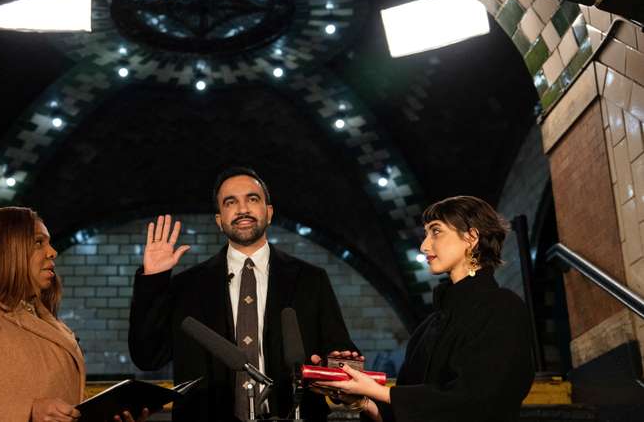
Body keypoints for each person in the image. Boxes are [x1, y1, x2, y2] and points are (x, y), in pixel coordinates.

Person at [129, 167, 361, 422]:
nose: (242, 209)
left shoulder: (311, 280)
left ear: (269, 213)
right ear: (219, 220)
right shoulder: (187, 286)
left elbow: (339, 354)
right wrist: (154, 280)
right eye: (231, 202)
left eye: (252, 199)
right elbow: (147, 357)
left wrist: (339, 365)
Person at [0, 207, 147, 422]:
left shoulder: (55, 327)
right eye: (38, 242)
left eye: (49, 243)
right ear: (5, 249)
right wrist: (28, 410)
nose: (52, 252)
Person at [314, 196, 535, 422]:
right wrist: (361, 399)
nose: (424, 246)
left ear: (471, 237)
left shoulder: (502, 308)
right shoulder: (427, 328)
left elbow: (481, 400)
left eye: (436, 231)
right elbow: (409, 414)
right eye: (426, 233)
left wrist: (379, 391)